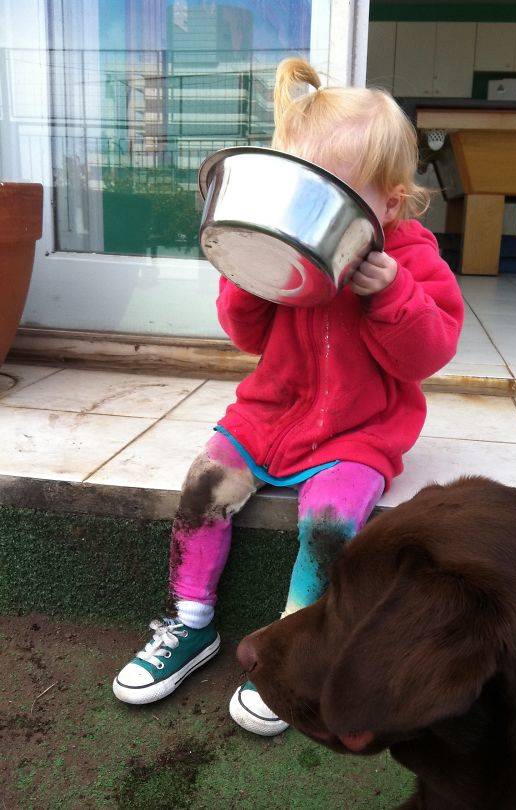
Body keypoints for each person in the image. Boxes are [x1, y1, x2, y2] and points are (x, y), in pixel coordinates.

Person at [112, 57, 465, 736]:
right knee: (202, 489)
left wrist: (388, 294)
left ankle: (293, 652)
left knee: (330, 522)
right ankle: (188, 624)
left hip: (356, 433)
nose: (308, 207)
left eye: (332, 190)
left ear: (388, 203)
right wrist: (248, 271)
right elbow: (246, 335)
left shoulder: (411, 258)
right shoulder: (281, 238)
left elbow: (427, 354)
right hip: (268, 416)